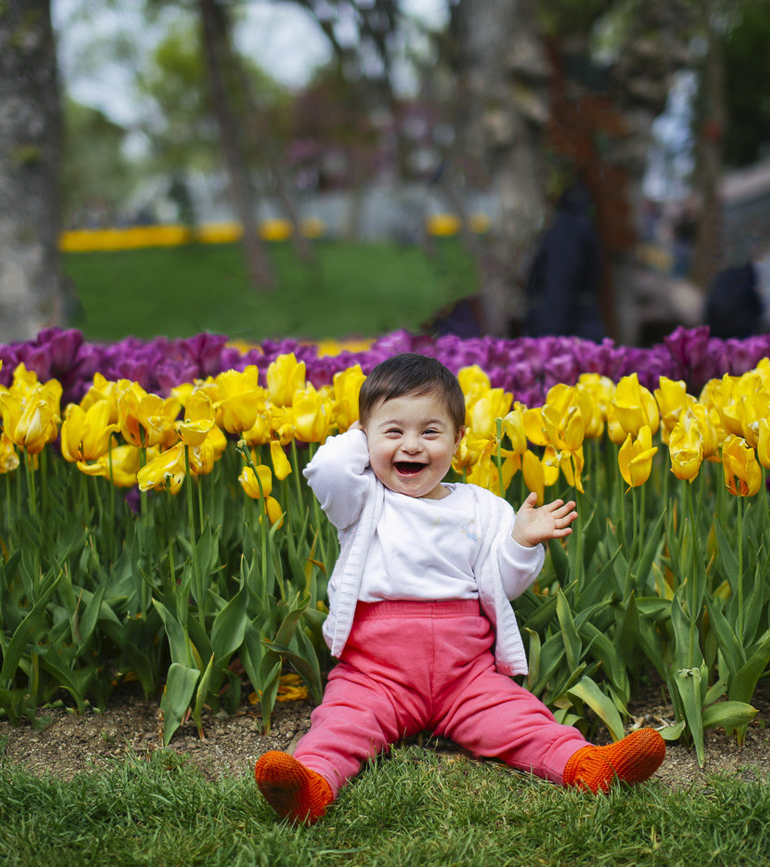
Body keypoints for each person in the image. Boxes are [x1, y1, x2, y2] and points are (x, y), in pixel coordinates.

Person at [253, 353, 665, 825]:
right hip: (376, 674)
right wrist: (361, 436)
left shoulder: (483, 507)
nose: (412, 446)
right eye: (394, 432)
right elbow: (326, 469)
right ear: (364, 439)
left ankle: (590, 765)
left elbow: (504, 585)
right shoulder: (362, 501)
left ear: (459, 441)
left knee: (520, 719)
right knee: (342, 725)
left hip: (465, 674)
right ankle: (309, 784)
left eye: (430, 432)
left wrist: (521, 541)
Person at [522, 184, 605, 340]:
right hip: (575, 317)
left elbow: (549, 274)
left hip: (555, 316)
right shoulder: (582, 227)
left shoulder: (560, 228)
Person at [704, 261, 768, 340]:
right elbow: (758, 308)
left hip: (716, 332)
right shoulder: (748, 279)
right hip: (742, 334)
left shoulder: (723, 276)